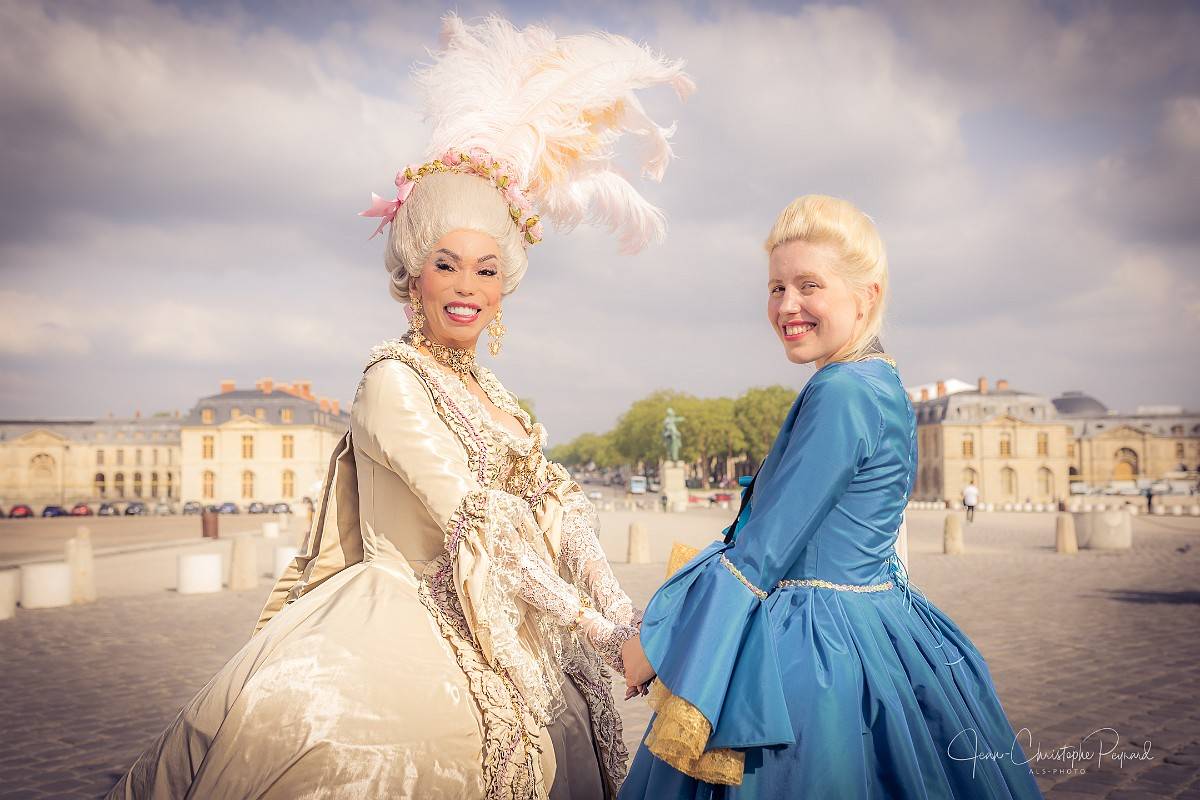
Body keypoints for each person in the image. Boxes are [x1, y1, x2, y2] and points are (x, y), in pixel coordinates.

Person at [107, 14, 692, 800]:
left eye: (486, 269)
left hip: (508, 629)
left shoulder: (495, 397)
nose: (467, 286)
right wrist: (603, 636)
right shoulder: (391, 381)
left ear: (505, 286)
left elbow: (560, 512)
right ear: (414, 274)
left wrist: (624, 616)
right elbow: (477, 522)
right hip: (399, 628)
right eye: (447, 264)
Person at [617, 195, 1043, 799]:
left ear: (866, 295)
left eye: (809, 285)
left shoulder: (841, 390)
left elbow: (760, 553)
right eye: (776, 288)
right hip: (876, 618)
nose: (786, 306)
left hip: (816, 648)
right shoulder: (881, 379)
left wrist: (658, 644)